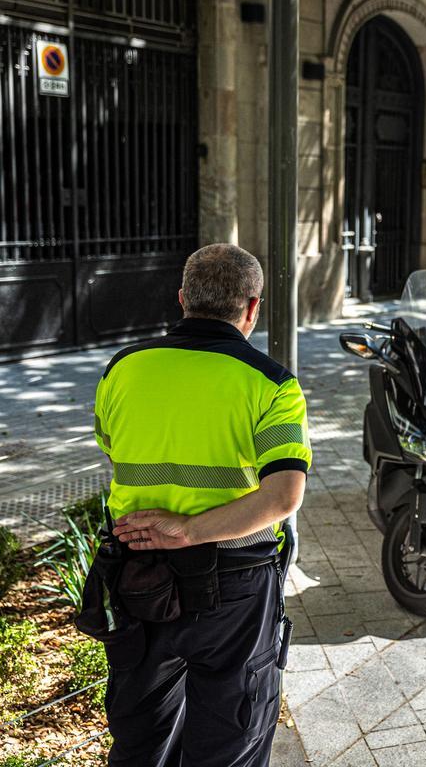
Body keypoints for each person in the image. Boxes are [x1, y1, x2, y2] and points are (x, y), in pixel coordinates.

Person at [91, 243, 311, 766]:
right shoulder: (274, 384)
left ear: (184, 299)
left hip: (138, 577)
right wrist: (187, 531)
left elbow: (110, 446)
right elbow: (283, 496)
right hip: (233, 588)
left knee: (141, 738)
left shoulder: (121, 369)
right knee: (230, 739)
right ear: (252, 307)